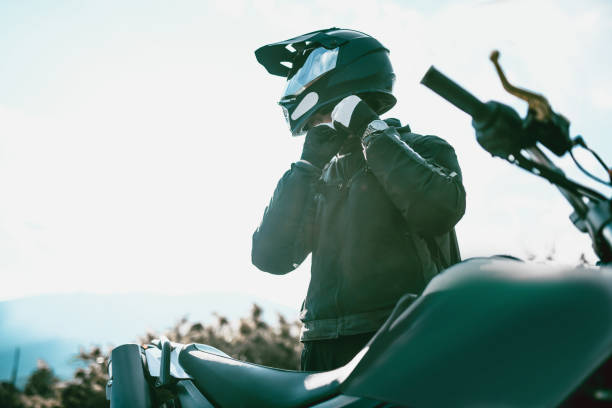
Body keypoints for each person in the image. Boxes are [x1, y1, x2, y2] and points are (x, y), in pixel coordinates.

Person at [252, 28, 466, 371]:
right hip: (321, 347)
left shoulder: (426, 148)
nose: (317, 129)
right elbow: (270, 257)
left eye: (322, 118)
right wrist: (305, 168)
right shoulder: (319, 175)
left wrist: (371, 130)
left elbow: (438, 211)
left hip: (404, 336)